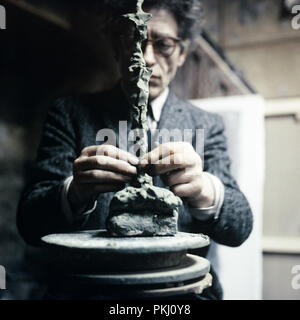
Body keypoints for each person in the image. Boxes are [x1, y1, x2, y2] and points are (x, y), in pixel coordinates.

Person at [17, 0, 253, 300]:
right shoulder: (68, 114)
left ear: (181, 53)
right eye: (134, 39)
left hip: (183, 295)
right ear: (117, 47)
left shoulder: (206, 124)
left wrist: (207, 191)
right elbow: (29, 223)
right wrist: (72, 192)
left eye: (164, 45)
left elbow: (240, 227)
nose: (146, 58)